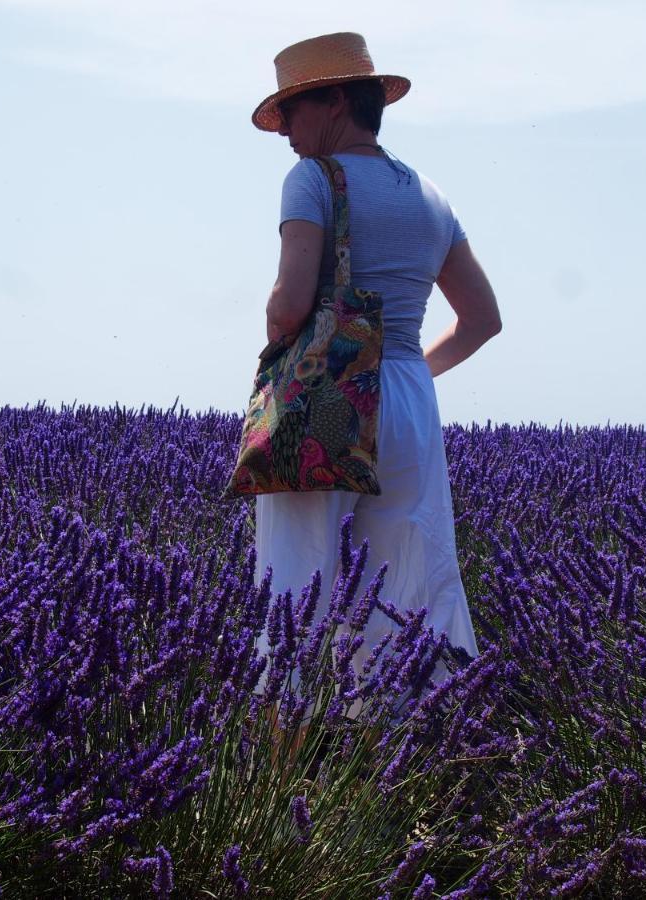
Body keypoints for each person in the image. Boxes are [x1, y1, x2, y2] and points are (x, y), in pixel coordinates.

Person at [250, 32, 502, 709]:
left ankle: (281, 760)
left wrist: (275, 321)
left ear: (334, 102)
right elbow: (482, 320)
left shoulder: (312, 179)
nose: (287, 134)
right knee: (405, 581)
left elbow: (292, 305)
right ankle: (408, 758)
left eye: (293, 112)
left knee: (294, 582)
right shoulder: (430, 195)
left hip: (325, 395)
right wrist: (401, 373)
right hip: (408, 400)